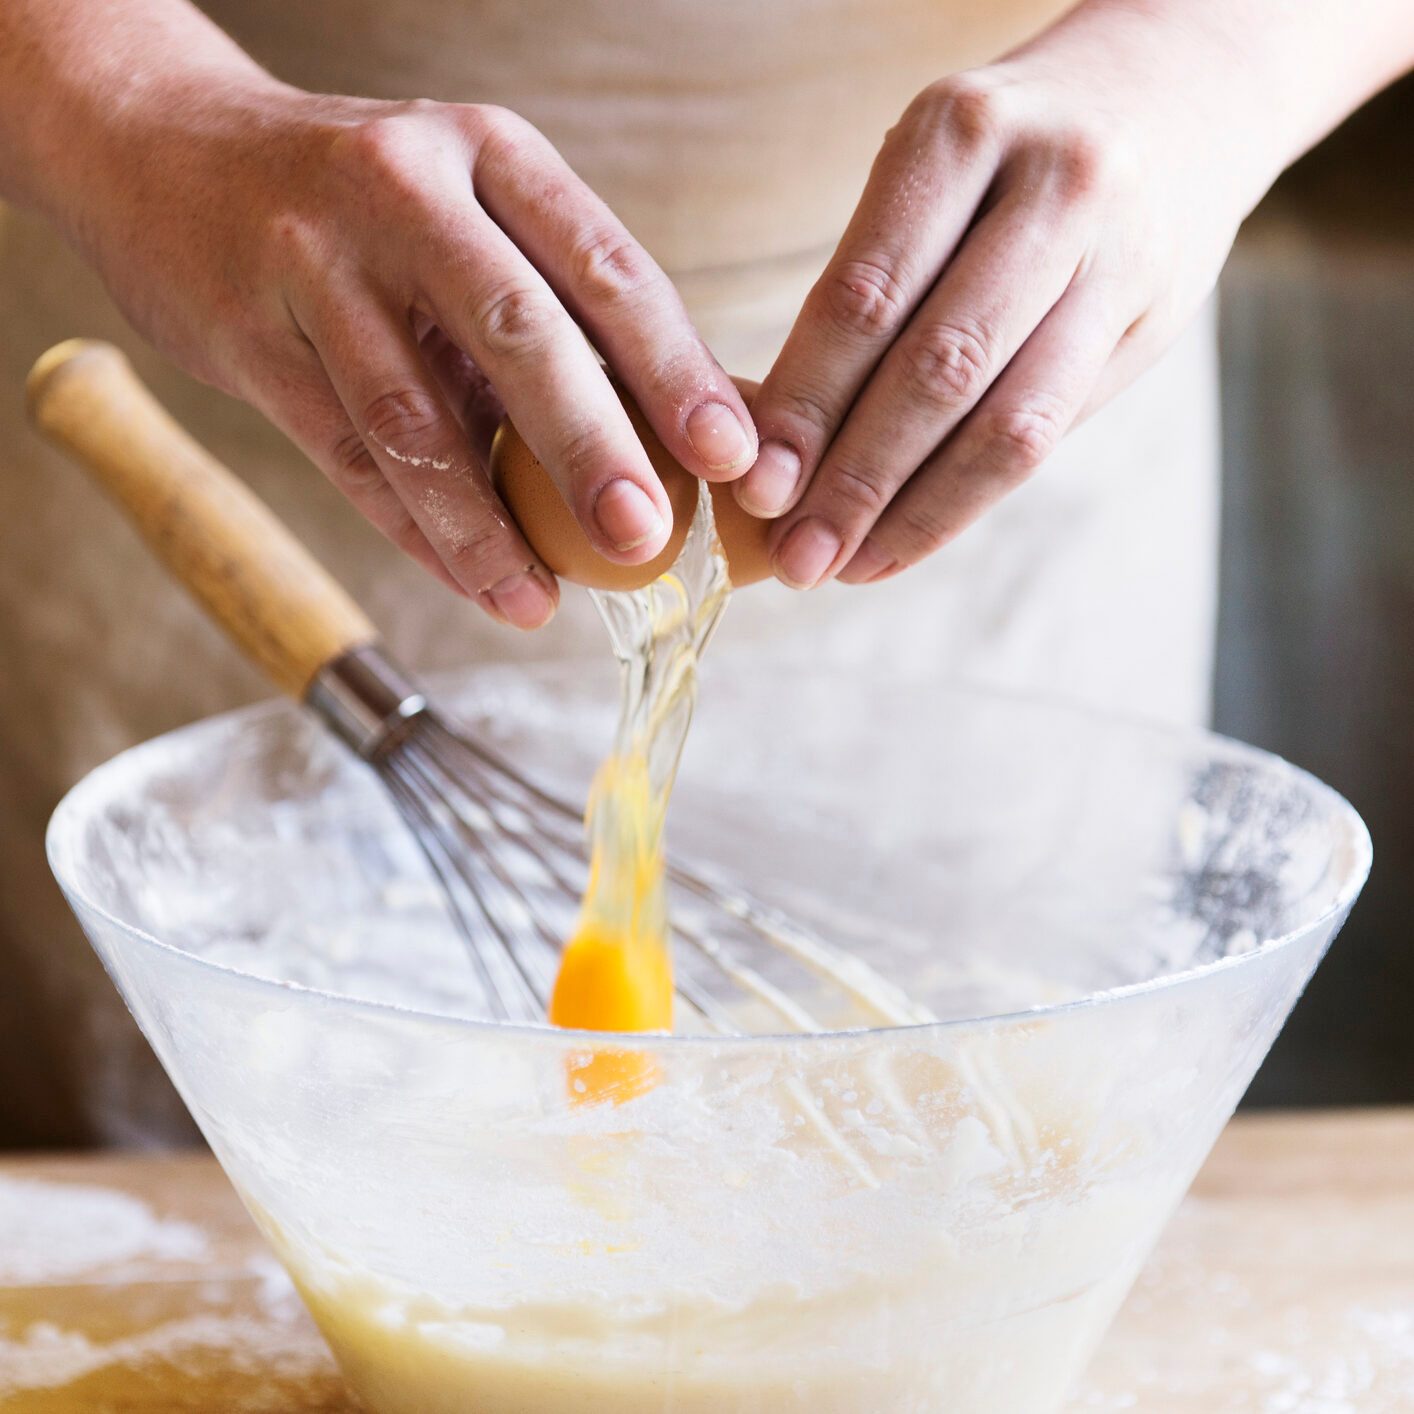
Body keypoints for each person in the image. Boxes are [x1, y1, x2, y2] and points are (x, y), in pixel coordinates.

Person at [0, 0, 1410, 1148]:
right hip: (255, 345)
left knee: (957, 1154)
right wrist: (122, 105)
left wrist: (1215, 63)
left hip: (1006, 384)